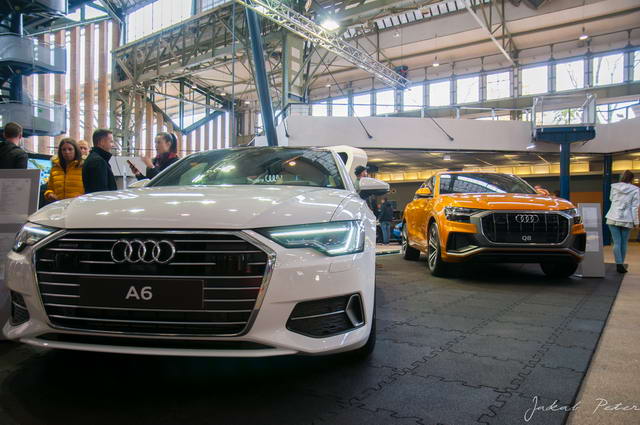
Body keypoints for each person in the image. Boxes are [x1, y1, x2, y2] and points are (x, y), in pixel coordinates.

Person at [605, 170, 640, 273]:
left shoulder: (614, 187)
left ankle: (618, 264)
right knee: (624, 243)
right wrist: (637, 222)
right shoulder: (636, 190)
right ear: (631, 179)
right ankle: (621, 265)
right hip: (627, 219)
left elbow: (611, 199)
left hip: (612, 216)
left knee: (616, 242)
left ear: (622, 177)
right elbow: (634, 207)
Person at [83, 128, 117, 194]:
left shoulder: (95, 158)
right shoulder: (97, 161)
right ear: (101, 142)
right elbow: (101, 192)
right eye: (111, 142)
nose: (113, 145)